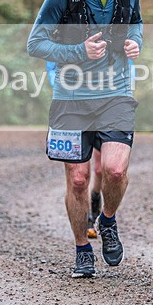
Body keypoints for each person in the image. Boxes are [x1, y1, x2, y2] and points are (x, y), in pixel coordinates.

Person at [28, 0, 142, 278]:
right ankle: (82, 249)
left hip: (116, 93)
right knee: (78, 180)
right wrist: (78, 50)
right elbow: (36, 43)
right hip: (71, 98)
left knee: (114, 169)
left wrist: (136, 43)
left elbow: (136, 23)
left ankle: (107, 220)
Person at [46, 60, 103, 239]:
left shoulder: (111, 33)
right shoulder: (63, 33)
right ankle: (85, 219)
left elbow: (127, 66)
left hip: (105, 103)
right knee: (78, 177)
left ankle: (95, 200)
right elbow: (52, 68)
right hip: (73, 104)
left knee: (101, 168)